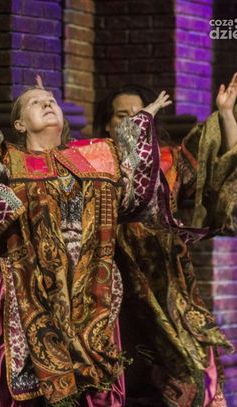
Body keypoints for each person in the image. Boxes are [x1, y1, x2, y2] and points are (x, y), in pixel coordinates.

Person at [0, 77, 194, 405]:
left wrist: (143, 119)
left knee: (92, 391)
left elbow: (137, 191)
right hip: (22, 290)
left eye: (51, 99)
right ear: (19, 124)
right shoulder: (7, 162)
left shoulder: (93, 158)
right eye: (35, 102)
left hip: (86, 292)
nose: (48, 103)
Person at [91, 78, 237, 406]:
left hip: (163, 278)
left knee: (188, 370)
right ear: (107, 123)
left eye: (140, 113)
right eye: (122, 115)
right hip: (109, 276)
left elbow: (217, 170)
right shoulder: (91, 162)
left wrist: (226, 114)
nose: (133, 120)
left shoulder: (168, 161)